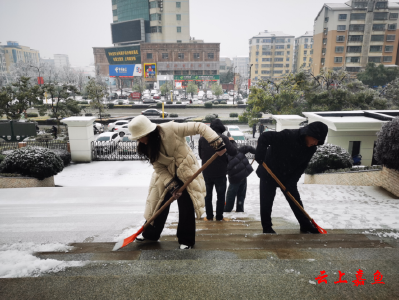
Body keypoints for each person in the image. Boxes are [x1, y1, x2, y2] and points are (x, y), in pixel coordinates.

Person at [128, 115, 227, 249]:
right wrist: (172, 185)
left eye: (140, 137)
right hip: (165, 175)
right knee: (157, 203)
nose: (139, 140)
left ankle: (186, 240)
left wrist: (216, 142)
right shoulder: (147, 147)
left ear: (147, 133)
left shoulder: (171, 129)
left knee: (186, 205)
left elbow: (199, 127)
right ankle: (150, 234)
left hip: (185, 171)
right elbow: (158, 167)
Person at [255, 121, 328, 234]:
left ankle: (305, 225)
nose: (316, 143)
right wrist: (260, 155)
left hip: (287, 177)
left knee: (296, 201)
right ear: (309, 134)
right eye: (316, 139)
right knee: (266, 201)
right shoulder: (288, 135)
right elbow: (265, 137)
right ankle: (267, 228)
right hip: (269, 172)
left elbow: (301, 167)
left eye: (319, 141)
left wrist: (292, 181)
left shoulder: (311, 149)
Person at [198, 119, 237, 221]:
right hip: (220, 172)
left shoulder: (203, 139)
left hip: (206, 172)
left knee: (208, 196)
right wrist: (232, 142)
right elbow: (233, 152)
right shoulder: (223, 138)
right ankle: (219, 217)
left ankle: (209, 216)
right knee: (220, 196)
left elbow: (200, 155)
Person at [224, 137, 256, 213]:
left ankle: (227, 209)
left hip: (234, 178)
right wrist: (257, 152)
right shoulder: (239, 149)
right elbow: (249, 147)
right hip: (244, 176)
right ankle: (240, 209)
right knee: (241, 195)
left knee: (231, 195)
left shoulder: (225, 154)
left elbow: (223, 167)